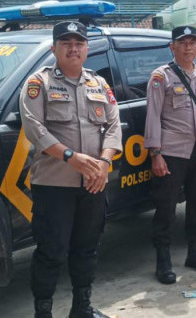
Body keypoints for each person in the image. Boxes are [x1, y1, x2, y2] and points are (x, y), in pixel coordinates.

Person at [20, 21, 122, 318]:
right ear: (54, 49)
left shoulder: (99, 83)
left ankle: (82, 308)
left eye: (79, 43)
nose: (73, 48)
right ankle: (44, 312)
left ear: (87, 49)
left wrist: (103, 162)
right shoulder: (39, 83)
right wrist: (70, 156)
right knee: (50, 252)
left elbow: (114, 124)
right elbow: (33, 128)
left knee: (87, 248)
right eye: (66, 43)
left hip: (93, 182)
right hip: (54, 185)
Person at [144, 25, 196, 285]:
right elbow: (152, 116)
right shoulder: (160, 76)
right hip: (172, 153)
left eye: (192, 42)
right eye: (182, 42)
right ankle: (163, 262)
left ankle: (195, 254)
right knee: (165, 208)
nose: (188, 47)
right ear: (172, 47)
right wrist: (155, 153)